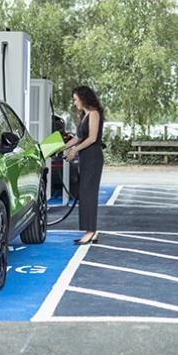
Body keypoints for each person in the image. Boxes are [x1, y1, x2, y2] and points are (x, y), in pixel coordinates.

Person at [63, 86, 105, 245]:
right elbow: (79, 137)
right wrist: (63, 147)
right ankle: (90, 230)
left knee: (89, 194)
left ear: (83, 98)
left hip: (93, 158)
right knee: (84, 192)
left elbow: (92, 138)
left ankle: (91, 231)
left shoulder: (94, 114)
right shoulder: (85, 115)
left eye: (75, 99)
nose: (74, 103)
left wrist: (74, 150)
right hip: (85, 158)